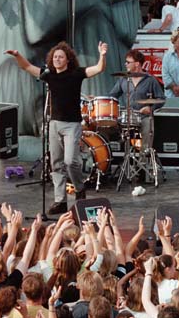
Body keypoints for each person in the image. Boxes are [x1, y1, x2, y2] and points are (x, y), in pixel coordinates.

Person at [6, 39, 108, 214]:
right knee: (56, 164)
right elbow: (27, 67)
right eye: (54, 57)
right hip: (54, 124)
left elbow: (99, 68)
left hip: (72, 125)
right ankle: (60, 200)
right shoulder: (49, 75)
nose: (56, 59)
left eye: (60, 57)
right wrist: (17, 55)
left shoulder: (76, 73)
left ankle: (79, 188)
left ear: (68, 59)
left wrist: (102, 55)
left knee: (70, 161)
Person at [108, 49, 164, 148]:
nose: (126, 64)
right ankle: (124, 158)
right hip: (128, 117)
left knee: (147, 136)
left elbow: (161, 99)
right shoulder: (123, 79)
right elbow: (112, 96)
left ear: (137, 64)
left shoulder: (150, 80)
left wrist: (150, 108)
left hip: (144, 117)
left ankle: (144, 161)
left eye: (128, 62)